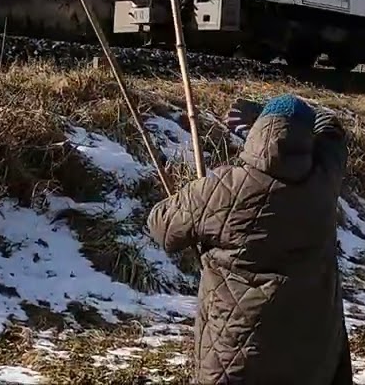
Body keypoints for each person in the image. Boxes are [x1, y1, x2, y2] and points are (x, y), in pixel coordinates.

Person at [148, 94, 353, 384]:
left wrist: (191, 196)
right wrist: (271, 114)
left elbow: (161, 227)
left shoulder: (219, 189)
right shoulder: (325, 180)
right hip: (312, 359)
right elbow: (332, 127)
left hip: (235, 361)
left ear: (256, 132)